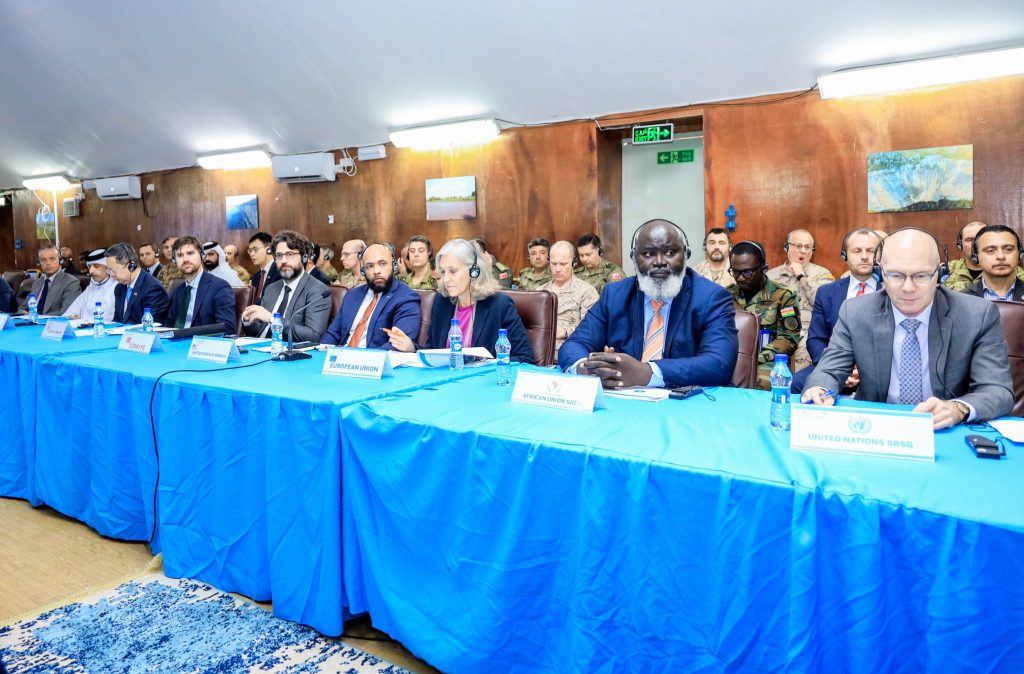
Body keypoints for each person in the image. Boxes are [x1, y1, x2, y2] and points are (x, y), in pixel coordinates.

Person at [803, 228, 1013, 428]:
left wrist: (958, 408)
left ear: (940, 274)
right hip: (875, 428)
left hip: (943, 430)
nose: (908, 287)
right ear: (879, 274)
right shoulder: (855, 312)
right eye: (896, 275)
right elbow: (829, 371)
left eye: (921, 276)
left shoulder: (977, 315)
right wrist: (819, 389)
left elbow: (997, 390)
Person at [559, 219, 738, 388]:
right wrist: (589, 369)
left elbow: (719, 363)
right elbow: (574, 344)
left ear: (686, 254)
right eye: (648, 254)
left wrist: (647, 372)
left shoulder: (712, 297)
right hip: (625, 401)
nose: (659, 262)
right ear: (634, 257)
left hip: (687, 402)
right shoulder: (614, 295)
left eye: (670, 252)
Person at [387, 238, 533, 362]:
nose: (446, 279)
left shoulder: (499, 305)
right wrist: (412, 348)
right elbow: (433, 351)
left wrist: (488, 365)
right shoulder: (441, 302)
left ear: (473, 271)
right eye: (443, 272)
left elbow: (524, 357)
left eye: (453, 271)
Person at [792, 228, 883, 393]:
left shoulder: (891, 291)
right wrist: (836, 368)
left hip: (879, 371)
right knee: (795, 383)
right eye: (857, 251)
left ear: (880, 255)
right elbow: (816, 339)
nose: (864, 256)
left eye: (871, 251)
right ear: (844, 255)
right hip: (833, 366)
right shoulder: (827, 293)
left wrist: (863, 370)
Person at [728, 241, 800, 390]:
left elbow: (788, 339)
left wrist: (757, 357)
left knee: (759, 384)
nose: (740, 278)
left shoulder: (783, 295)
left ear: (764, 268)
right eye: (735, 272)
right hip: (731, 357)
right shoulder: (725, 295)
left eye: (747, 272)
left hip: (767, 360)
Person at [322, 242, 421, 348]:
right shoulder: (352, 295)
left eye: (382, 263)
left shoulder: (406, 297)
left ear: (393, 266)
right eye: (369, 266)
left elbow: (398, 345)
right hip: (341, 355)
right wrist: (321, 352)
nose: (376, 271)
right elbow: (333, 334)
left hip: (375, 357)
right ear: (363, 271)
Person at [240, 230, 331, 342]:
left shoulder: (317, 290)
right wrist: (248, 321)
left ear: (304, 258)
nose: (283, 261)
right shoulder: (271, 289)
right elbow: (262, 331)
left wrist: (273, 319)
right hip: (260, 348)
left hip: (290, 351)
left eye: (290, 254)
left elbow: (314, 336)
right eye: (279, 255)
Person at [766, 229, 834, 371]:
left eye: (808, 247)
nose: (803, 251)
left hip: (808, 334)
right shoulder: (771, 276)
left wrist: (801, 276)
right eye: (798, 246)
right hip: (777, 332)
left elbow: (826, 305)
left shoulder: (822, 274)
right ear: (786, 247)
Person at [166, 236, 237, 334]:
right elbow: (169, 324)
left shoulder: (220, 287)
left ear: (202, 255)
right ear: (174, 260)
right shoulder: (178, 291)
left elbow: (227, 329)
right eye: (180, 255)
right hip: (174, 342)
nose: (185, 259)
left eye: (190, 253)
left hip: (201, 342)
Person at [538, 240, 598, 353]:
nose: (557, 269)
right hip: (539, 352)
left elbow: (592, 329)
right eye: (554, 263)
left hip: (571, 353)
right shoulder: (539, 292)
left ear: (573, 263)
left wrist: (565, 331)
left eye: (563, 264)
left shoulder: (586, 292)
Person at [106, 242, 169, 325]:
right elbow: (118, 320)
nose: (111, 275)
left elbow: (150, 324)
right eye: (109, 270)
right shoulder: (119, 288)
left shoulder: (153, 288)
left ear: (131, 266)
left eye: (113, 270)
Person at [963, 225, 1024, 302]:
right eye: (990, 250)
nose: (1001, 256)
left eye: (1008, 249)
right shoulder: (961, 299)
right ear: (976, 257)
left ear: (1019, 254)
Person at [19, 243, 82, 315]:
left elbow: (67, 312)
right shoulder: (37, 282)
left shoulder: (71, 282)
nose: (48, 263)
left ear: (60, 261)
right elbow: (22, 308)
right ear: (39, 263)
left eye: (52, 259)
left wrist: (38, 317)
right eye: (43, 260)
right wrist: (23, 313)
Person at [63, 248, 117, 321]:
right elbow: (71, 312)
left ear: (108, 268)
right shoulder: (91, 286)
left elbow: (109, 318)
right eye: (89, 267)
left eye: (96, 266)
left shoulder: (117, 288)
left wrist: (83, 321)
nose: (91, 271)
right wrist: (71, 317)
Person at [247, 232, 280, 304]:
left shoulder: (280, 272)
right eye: (250, 251)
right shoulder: (255, 277)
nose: (251, 254)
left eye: (255, 249)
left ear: (269, 249)